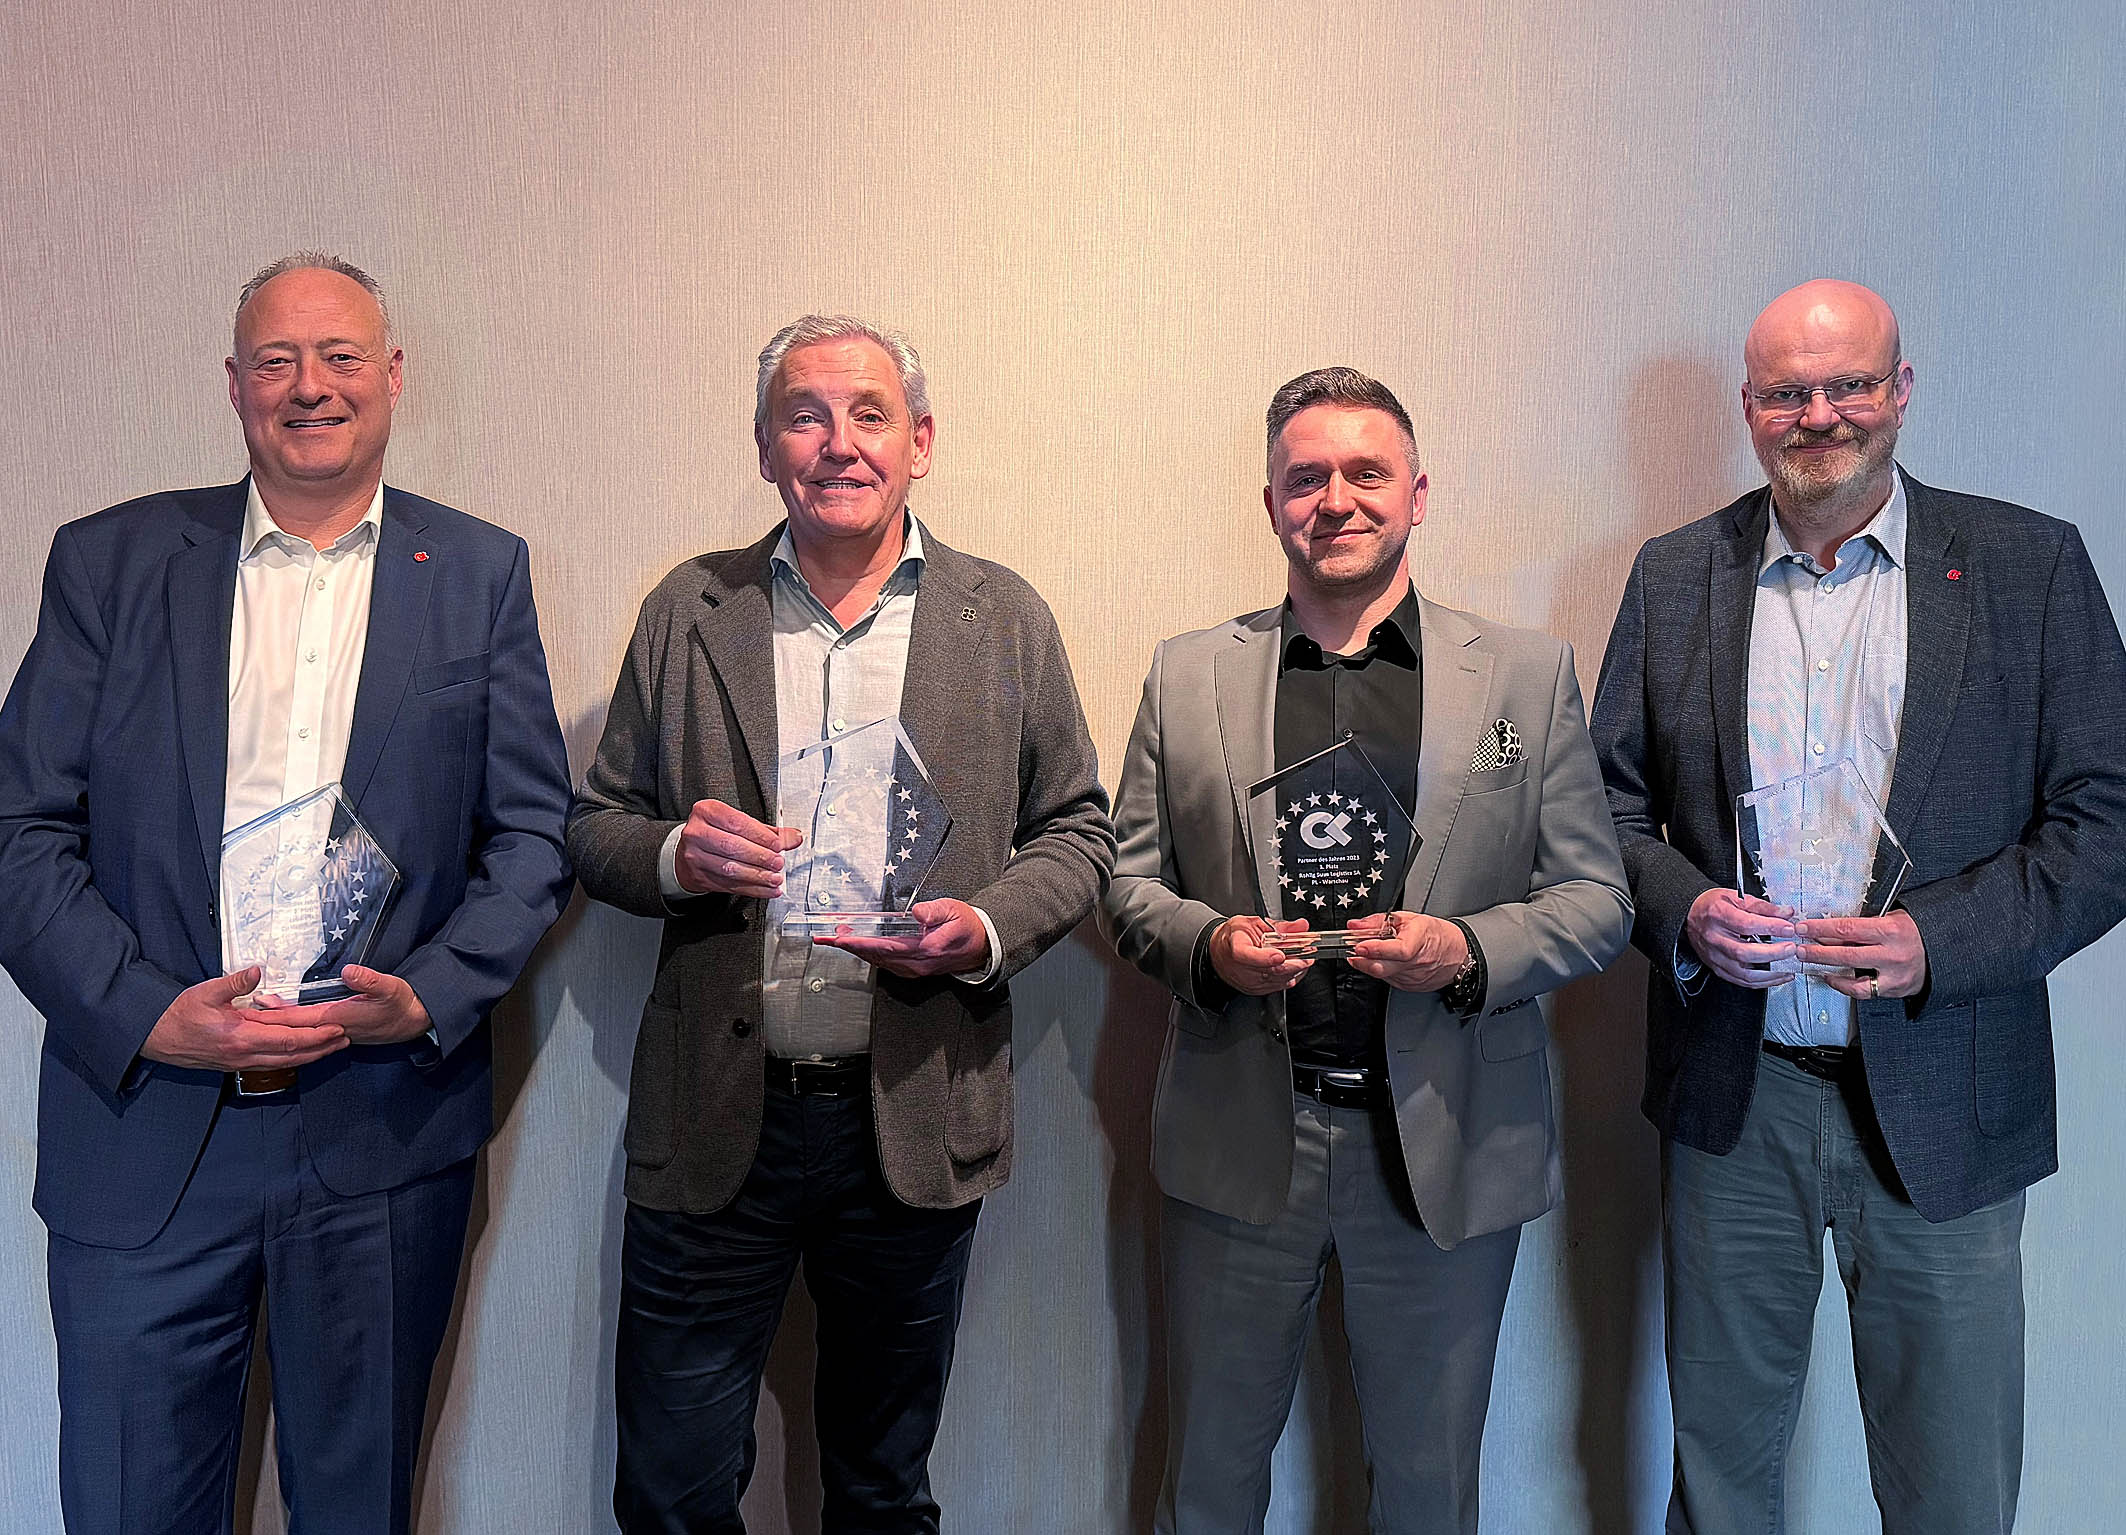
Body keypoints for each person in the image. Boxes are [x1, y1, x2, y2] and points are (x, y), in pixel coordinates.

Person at [0, 252, 575, 1534]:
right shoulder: (109, 561)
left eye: (339, 356)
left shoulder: (476, 571)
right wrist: (147, 1013)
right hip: (143, 1127)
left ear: (392, 376)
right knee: (130, 1507)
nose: (309, 386)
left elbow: (535, 834)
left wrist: (424, 995)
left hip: (378, 1129)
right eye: (276, 360)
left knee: (358, 1508)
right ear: (234, 385)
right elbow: (18, 823)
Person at [1591, 278, 2126, 1534]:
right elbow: (1595, 811)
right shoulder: (1674, 575)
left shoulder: (2027, 564)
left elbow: (2105, 818)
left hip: (1947, 1094)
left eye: (1847, 384)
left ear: (1900, 390)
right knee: (1719, 1480)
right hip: (1735, 1097)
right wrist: (1681, 911)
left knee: (1950, 1489)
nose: (1818, 414)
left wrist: (1939, 940)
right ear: (1748, 407)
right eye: (1786, 392)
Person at [568, 314, 1114, 1533]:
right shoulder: (688, 606)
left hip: (912, 1103)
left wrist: (982, 926)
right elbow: (597, 824)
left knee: (878, 1485)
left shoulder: (1000, 616)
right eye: (803, 415)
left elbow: (1077, 829)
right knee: (669, 1486)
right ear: (765, 446)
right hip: (716, 1110)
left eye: (869, 414)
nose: (837, 442)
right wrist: (675, 854)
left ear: (920, 440)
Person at [1101, 366, 1631, 1534]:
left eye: (1364, 472)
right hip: (1244, 1134)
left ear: (1416, 493)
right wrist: (1209, 944)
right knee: (1208, 1485)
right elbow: (1126, 884)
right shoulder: (1186, 674)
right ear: (1270, 503)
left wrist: (1467, 949)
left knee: (1429, 1492)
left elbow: (1596, 896)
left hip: (1446, 1135)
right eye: (1305, 477)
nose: (1333, 498)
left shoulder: (1523, 674)